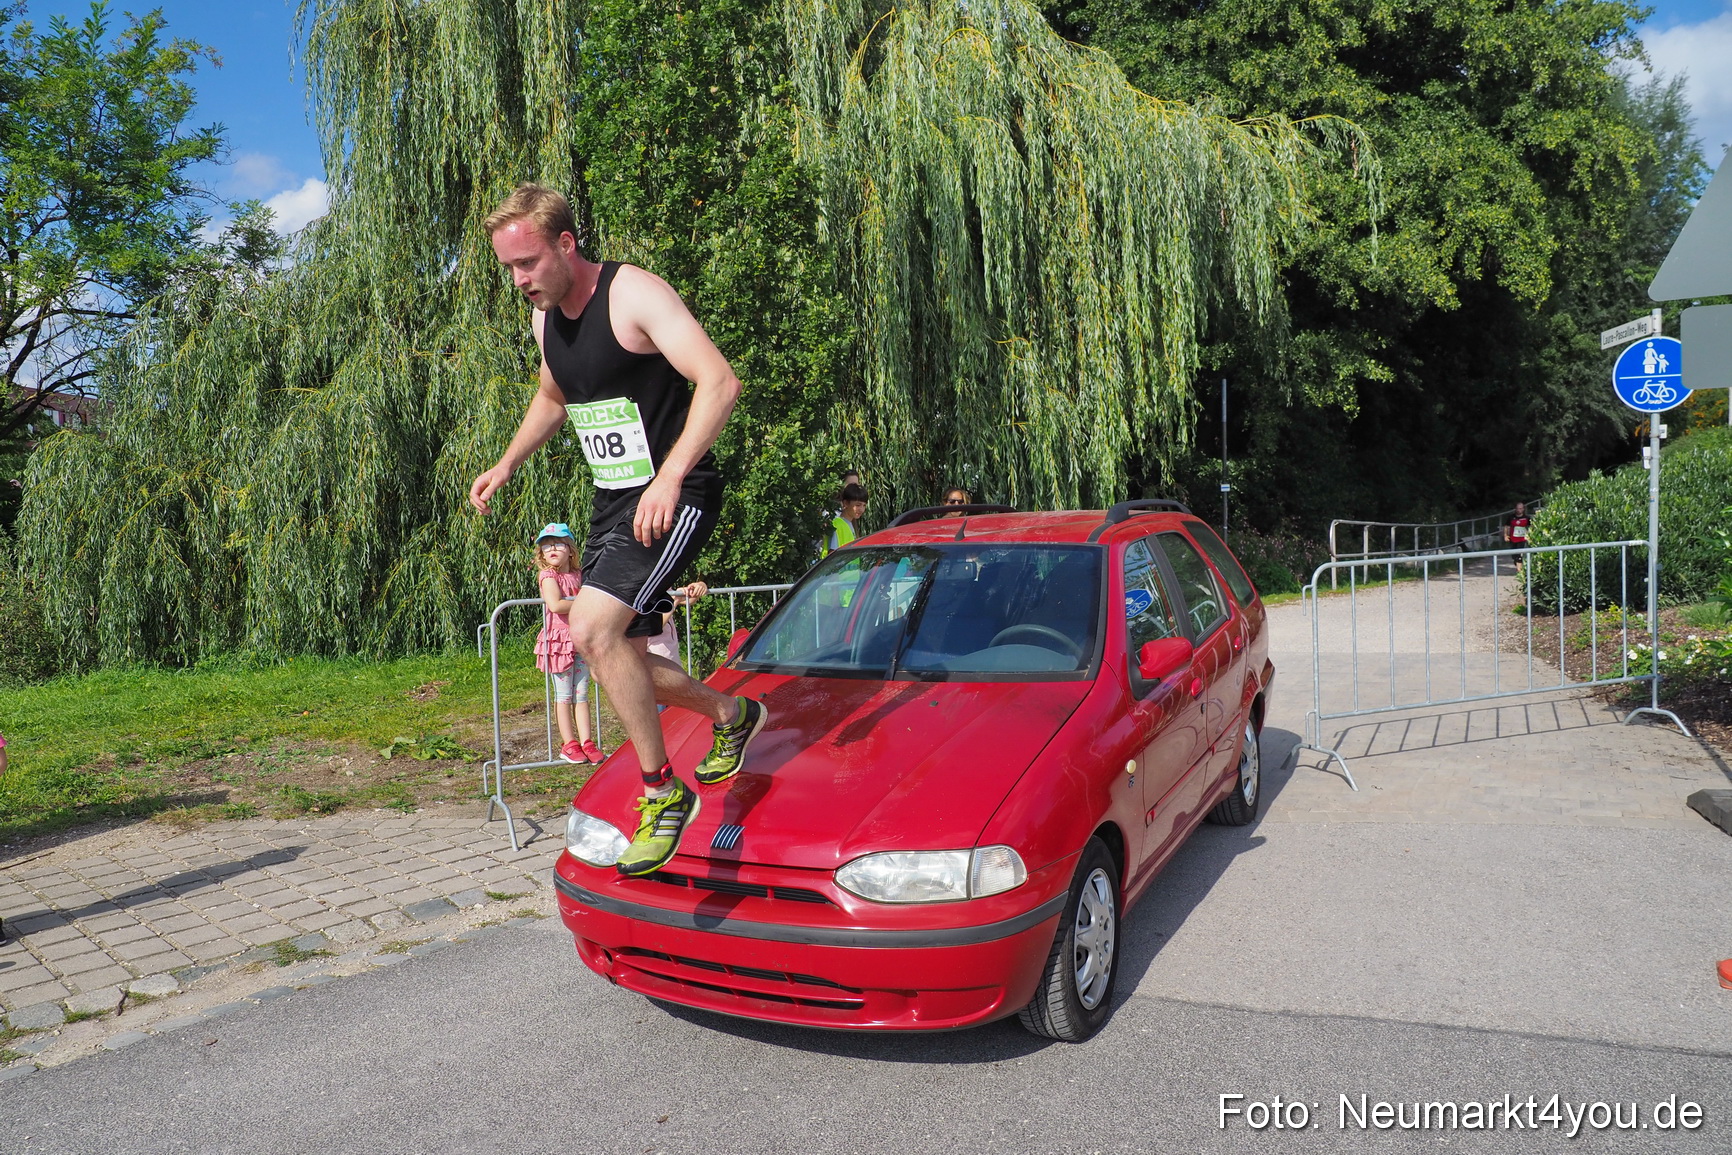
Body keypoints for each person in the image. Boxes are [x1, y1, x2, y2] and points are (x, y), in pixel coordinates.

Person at [469, 184, 769, 877]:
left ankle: (661, 793)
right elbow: (553, 395)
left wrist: (670, 474)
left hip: (677, 491)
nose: (518, 281)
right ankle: (730, 711)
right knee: (618, 656)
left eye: (527, 263)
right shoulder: (545, 320)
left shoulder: (632, 294)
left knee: (592, 631)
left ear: (566, 244)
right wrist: (507, 463)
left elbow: (719, 382)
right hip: (613, 503)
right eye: (507, 269)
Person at [533, 523, 604, 765]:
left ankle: (587, 741)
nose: (551, 549)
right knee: (563, 695)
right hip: (559, 642)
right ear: (541, 553)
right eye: (546, 546)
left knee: (581, 694)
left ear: (570, 549)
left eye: (557, 544)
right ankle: (569, 743)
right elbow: (555, 604)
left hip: (580, 639)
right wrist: (587, 602)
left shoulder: (579, 575)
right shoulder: (547, 576)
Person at [647, 581, 709, 709]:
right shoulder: (643, 590)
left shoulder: (660, 583)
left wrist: (699, 586)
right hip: (656, 668)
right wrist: (673, 601)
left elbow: (687, 600)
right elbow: (653, 627)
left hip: (670, 663)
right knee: (661, 717)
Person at [823, 483, 867, 556]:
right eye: (858, 505)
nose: (861, 510)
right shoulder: (836, 525)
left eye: (864, 505)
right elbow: (831, 555)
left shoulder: (848, 524)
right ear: (846, 503)